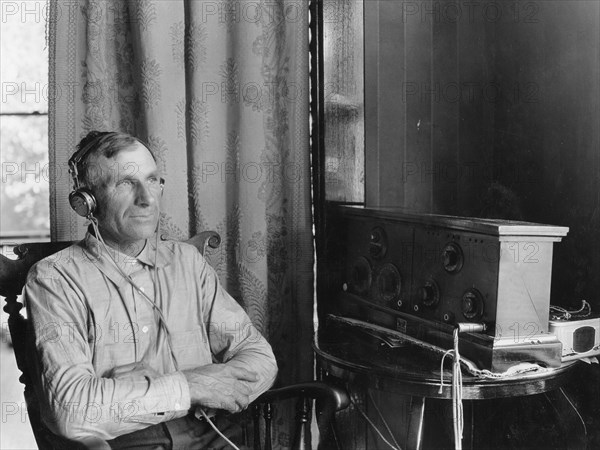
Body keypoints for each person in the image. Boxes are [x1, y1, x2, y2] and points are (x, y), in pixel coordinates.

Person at [24, 131, 278, 449]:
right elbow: (72, 410)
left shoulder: (188, 262)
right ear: (86, 203)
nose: (146, 198)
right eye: (126, 183)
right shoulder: (55, 279)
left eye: (153, 180)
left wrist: (142, 393)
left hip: (214, 436)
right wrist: (190, 387)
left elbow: (260, 358)